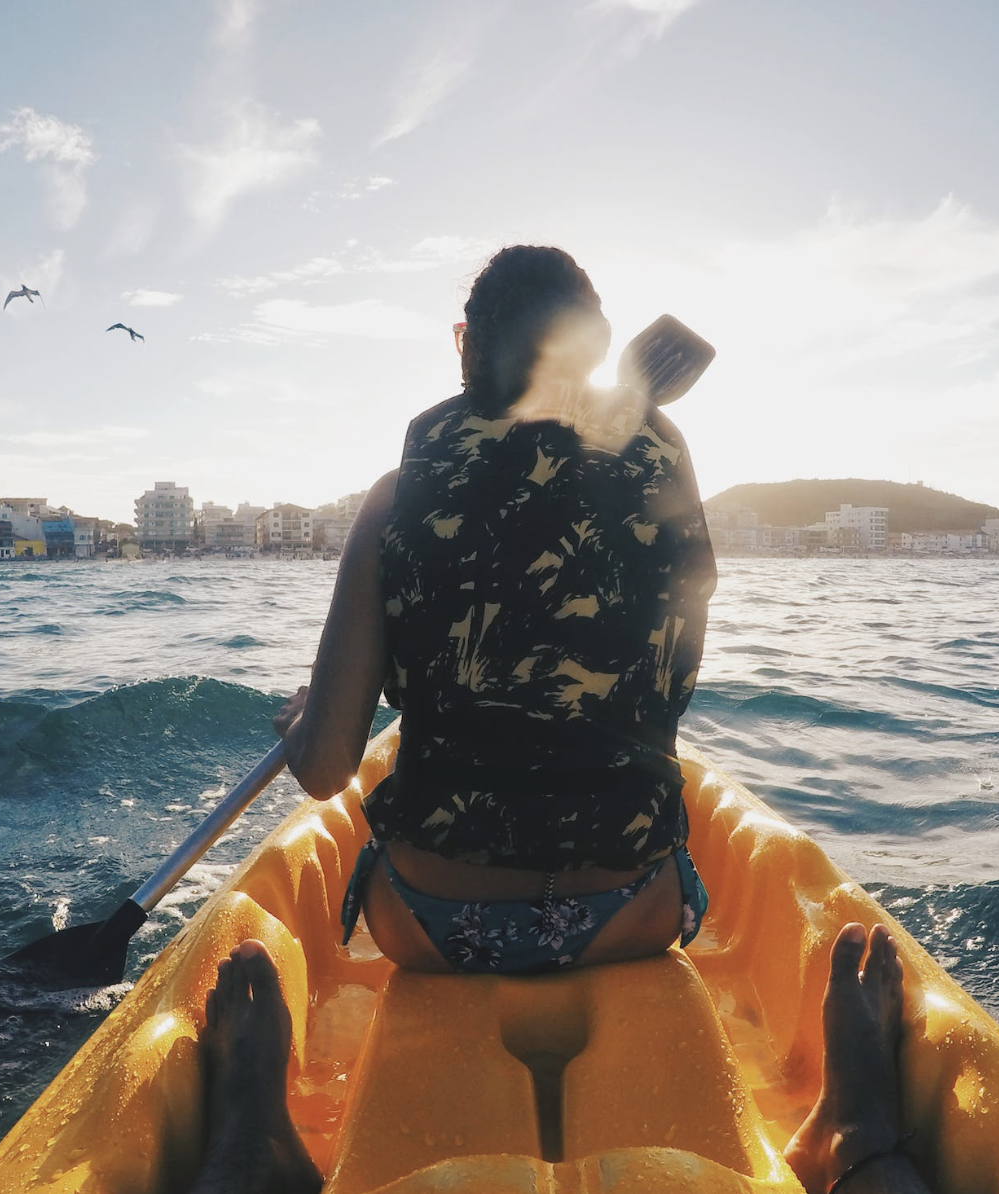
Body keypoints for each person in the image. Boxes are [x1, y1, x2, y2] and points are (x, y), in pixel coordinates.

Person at [187, 246, 932, 1194]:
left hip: (432, 923)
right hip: (632, 914)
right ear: (595, 352)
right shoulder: (663, 467)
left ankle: (255, 1137)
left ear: (465, 345)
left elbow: (330, 767)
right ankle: (858, 1137)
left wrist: (310, 717)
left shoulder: (395, 499)